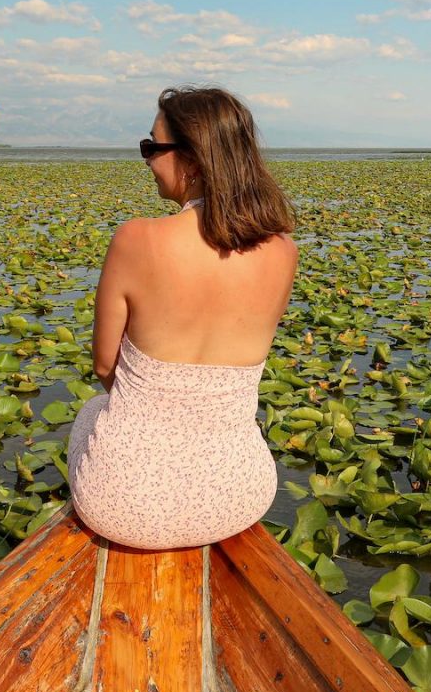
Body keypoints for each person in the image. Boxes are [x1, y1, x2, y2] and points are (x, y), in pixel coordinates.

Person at [66, 86, 298, 550]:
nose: (147, 160)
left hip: (121, 507)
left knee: (93, 409)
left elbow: (105, 367)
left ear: (192, 161)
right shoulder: (283, 251)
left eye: (152, 147)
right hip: (239, 496)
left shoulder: (136, 239)